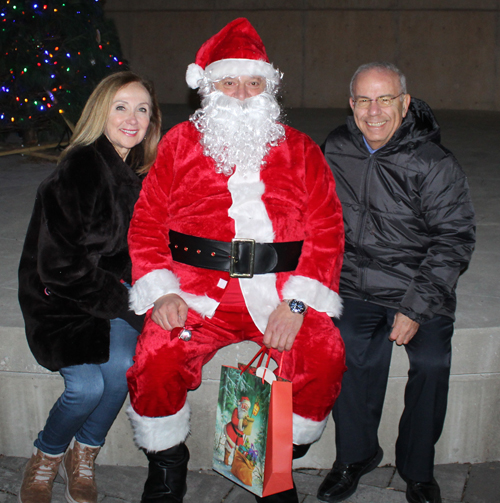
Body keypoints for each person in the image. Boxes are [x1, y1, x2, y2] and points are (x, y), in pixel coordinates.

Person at [125, 18, 346, 503]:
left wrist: (297, 304)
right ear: (210, 88)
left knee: (324, 353)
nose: (242, 93)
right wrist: (161, 288)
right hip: (197, 295)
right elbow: (146, 223)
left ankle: (277, 458)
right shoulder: (179, 144)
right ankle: (167, 461)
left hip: (278, 294)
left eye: (253, 82)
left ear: (268, 87)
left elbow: (328, 231)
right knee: (157, 355)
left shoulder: (303, 151)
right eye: (229, 82)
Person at [316, 62, 476, 503]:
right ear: (351, 104)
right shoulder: (337, 147)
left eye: (385, 99)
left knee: (431, 364)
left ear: (404, 104)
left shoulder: (432, 161)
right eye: (364, 100)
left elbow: (454, 239)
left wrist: (415, 307)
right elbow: (309, 210)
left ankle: (417, 468)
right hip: (355, 285)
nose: (374, 111)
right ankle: (356, 455)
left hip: (418, 285)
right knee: (343, 347)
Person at [17, 71, 162, 503]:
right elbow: (60, 268)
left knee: (120, 373)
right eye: (121, 107)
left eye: (142, 109)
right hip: (56, 298)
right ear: (101, 112)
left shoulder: (131, 171)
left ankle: (85, 452)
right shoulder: (81, 168)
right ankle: (47, 453)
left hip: (104, 293)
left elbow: (141, 247)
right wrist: (135, 306)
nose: (132, 118)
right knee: (88, 387)